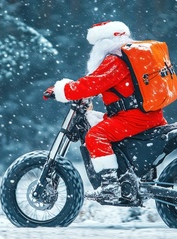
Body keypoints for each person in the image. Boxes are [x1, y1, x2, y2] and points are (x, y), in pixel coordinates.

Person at [45, 21, 167, 201]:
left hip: (134, 118)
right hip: (147, 115)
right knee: (99, 121)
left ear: (104, 41)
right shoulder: (130, 58)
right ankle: (129, 175)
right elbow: (98, 82)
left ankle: (110, 186)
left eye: (97, 43)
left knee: (95, 136)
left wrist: (60, 90)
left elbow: (91, 84)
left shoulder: (115, 60)